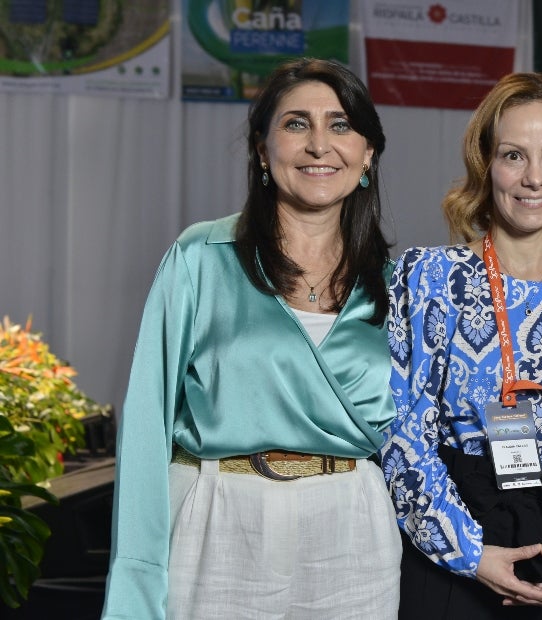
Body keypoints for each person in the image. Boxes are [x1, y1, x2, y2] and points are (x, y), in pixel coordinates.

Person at [101, 58, 400, 619]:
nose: (319, 145)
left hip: (354, 530)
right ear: (263, 151)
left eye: (340, 125)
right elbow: (145, 425)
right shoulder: (201, 258)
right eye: (295, 124)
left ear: (368, 155)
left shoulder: (396, 282)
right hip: (217, 517)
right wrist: (135, 590)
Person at [382, 72, 542, 619]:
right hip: (457, 556)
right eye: (513, 155)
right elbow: (404, 441)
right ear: (486, 162)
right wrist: (470, 554)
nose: (533, 178)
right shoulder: (426, 279)